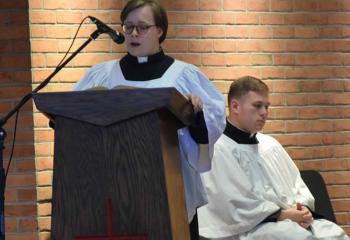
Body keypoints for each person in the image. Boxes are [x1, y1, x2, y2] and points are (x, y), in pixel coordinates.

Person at [73, 0, 226, 239]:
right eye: (128, 26)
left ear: (160, 30)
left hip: (169, 184)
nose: (133, 33)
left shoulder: (184, 76)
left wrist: (195, 116)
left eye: (142, 27)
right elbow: (73, 113)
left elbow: (214, 121)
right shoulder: (101, 75)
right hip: (112, 186)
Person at [197, 76, 349, 240]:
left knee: (334, 233)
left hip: (291, 219)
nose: (264, 113)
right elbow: (233, 205)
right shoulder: (217, 149)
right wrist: (282, 215)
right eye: (257, 106)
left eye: (266, 106)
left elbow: (297, 185)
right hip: (251, 228)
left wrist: (302, 209)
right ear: (235, 106)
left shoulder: (270, 145)